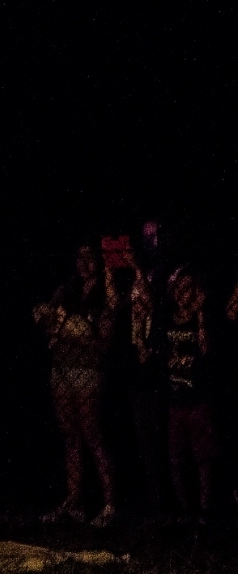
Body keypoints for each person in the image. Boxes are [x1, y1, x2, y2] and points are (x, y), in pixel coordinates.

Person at [34, 244, 119, 527]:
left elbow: (102, 343)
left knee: (92, 435)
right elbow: (47, 321)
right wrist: (62, 327)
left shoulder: (105, 295)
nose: (83, 263)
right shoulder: (66, 290)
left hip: (87, 372)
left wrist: (69, 330)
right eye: (79, 257)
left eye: (89, 257)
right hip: (62, 369)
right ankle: (74, 502)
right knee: (70, 437)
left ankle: (109, 504)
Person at [122, 222, 171, 518]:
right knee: (142, 439)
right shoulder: (130, 276)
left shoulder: (165, 273)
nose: (149, 242)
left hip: (158, 367)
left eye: (155, 236)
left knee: (161, 437)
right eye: (145, 236)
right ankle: (154, 504)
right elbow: (129, 309)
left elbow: (153, 307)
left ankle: (170, 506)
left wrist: (139, 272)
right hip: (135, 364)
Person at [163, 267, 215, 522]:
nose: (185, 293)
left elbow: (205, 351)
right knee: (175, 459)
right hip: (175, 401)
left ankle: (204, 511)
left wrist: (200, 314)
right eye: (180, 288)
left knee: (202, 459)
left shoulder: (200, 318)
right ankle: (184, 510)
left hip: (197, 401)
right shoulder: (168, 319)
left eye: (190, 287)